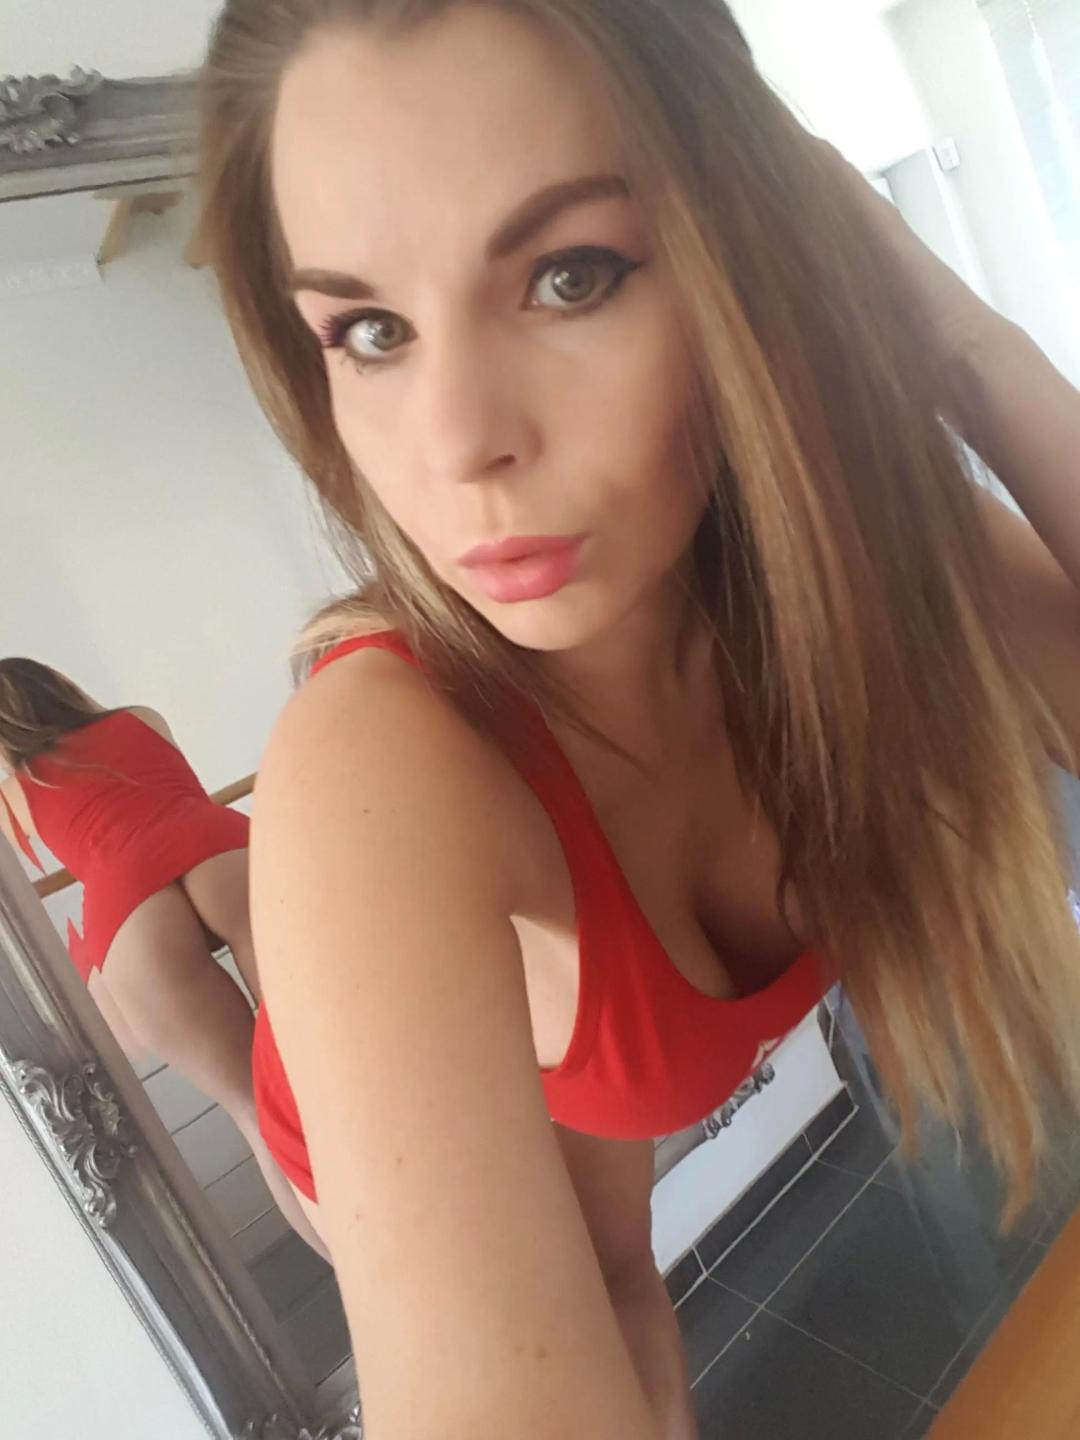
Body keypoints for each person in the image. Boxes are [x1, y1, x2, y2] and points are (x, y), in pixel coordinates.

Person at [194, 2, 1080, 1436]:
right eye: (371, 330)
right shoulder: (383, 767)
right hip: (357, 1121)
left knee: (615, 1267)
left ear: (746, 256)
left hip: (577, 1013)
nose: (460, 443)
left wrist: (955, 337)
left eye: (570, 275)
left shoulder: (858, 571)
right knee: (602, 1278)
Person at [0, 658, 328, 1261]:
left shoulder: (12, 793)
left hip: (126, 906)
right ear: (60, 687)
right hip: (214, 846)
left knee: (255, 1114)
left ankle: (356, 1272)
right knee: (323, 1061)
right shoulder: (142, 718)